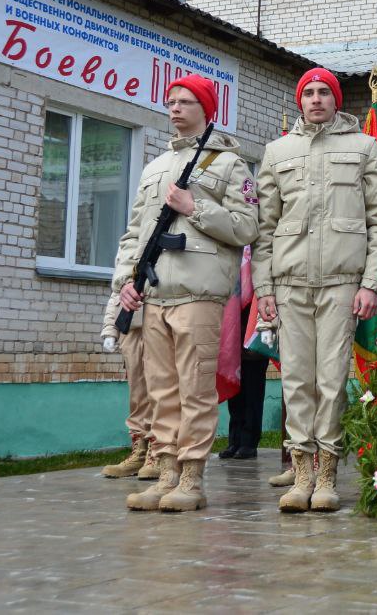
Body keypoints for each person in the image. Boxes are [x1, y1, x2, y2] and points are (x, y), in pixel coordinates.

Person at [111, 74, 259, 512]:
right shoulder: (156, 168)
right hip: (153, 294)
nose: (175, 108)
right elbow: (134, 231)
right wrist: (126, 282)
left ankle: (192, 479)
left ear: (206, 109)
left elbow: (246, 227)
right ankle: (166, 473)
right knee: (161, 391)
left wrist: (196, 208)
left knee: (195, 390)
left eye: (186, 102)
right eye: (171, 101)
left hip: (198, 293)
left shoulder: (229, 165)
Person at [253, 67, 377, 513]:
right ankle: (300, 475)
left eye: (324, 92)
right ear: (300, 100)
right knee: (296, 381)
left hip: (341, 283)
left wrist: (371, 283)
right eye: (308, 93)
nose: (315, 99)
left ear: (336, 100)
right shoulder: (277, 152)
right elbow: (264, 228)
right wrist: (264, 289)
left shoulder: (363, 147)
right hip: (289, 283)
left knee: (331, 381)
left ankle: (328, 474)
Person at [98, 292, 157, 479]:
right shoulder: (125, 262)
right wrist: (110, 330)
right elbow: (117, 291)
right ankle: (139, 453)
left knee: (159, 392)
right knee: (137, 395)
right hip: (130, 326)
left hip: (158, 322)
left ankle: (158, 453)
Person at [220, 270, 269, 461]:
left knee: (253, 385)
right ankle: (235, 440)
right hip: (233, 316)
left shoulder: (256, 251)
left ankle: (249, 442)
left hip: (256, 317)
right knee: (235, 384)